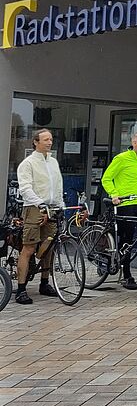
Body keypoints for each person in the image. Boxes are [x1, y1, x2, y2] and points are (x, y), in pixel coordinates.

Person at [101, 132, 137, 290]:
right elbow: (106, 178)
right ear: (134, 143)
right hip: (126, 204)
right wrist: (114, 195)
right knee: (127, 241)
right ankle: (126, 275)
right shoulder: (122, 158)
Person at [14, 129, 63, 304]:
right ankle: (21, 289)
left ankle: (44, 282)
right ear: (36, 142)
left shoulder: (53, 162)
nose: (49, 142)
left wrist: (60, 204)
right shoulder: (28, 163)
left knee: (48, 246)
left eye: (51, 139)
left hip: (51, 208)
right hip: (34, 208)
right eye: (45, 140)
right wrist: (40, 203)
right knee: (29, 247)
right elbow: (25, 188)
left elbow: (57, 186)